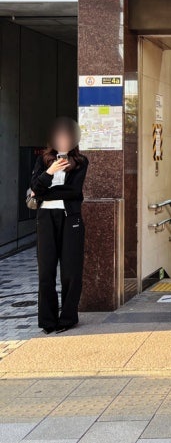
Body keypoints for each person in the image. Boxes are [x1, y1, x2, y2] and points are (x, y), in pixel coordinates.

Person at [28, 117, 89, 334]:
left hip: (70, 219)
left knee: (71, 272)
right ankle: (48, 320)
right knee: (46, 271)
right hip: (45, 219)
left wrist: (44, 191)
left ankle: (68, 318)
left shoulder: (81, 162)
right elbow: (34, 186)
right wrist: (51, 172)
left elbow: (74, 192)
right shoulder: (43, 161)